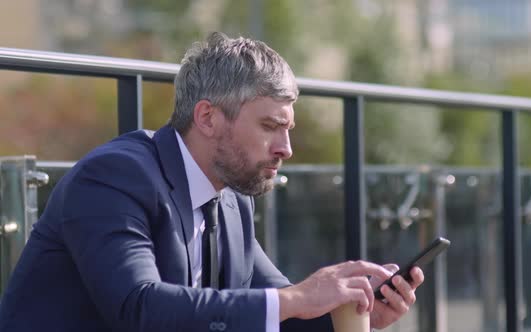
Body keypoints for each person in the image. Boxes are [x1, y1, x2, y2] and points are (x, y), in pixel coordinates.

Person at [0, 32, 424, 331]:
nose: (286, 148)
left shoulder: (232, 200)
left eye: (288, 129)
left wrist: (353, 313)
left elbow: (270, 312)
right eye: (271, 126)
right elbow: (139, 307)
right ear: (207, 118)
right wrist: (299, 298)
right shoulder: (115, 178)